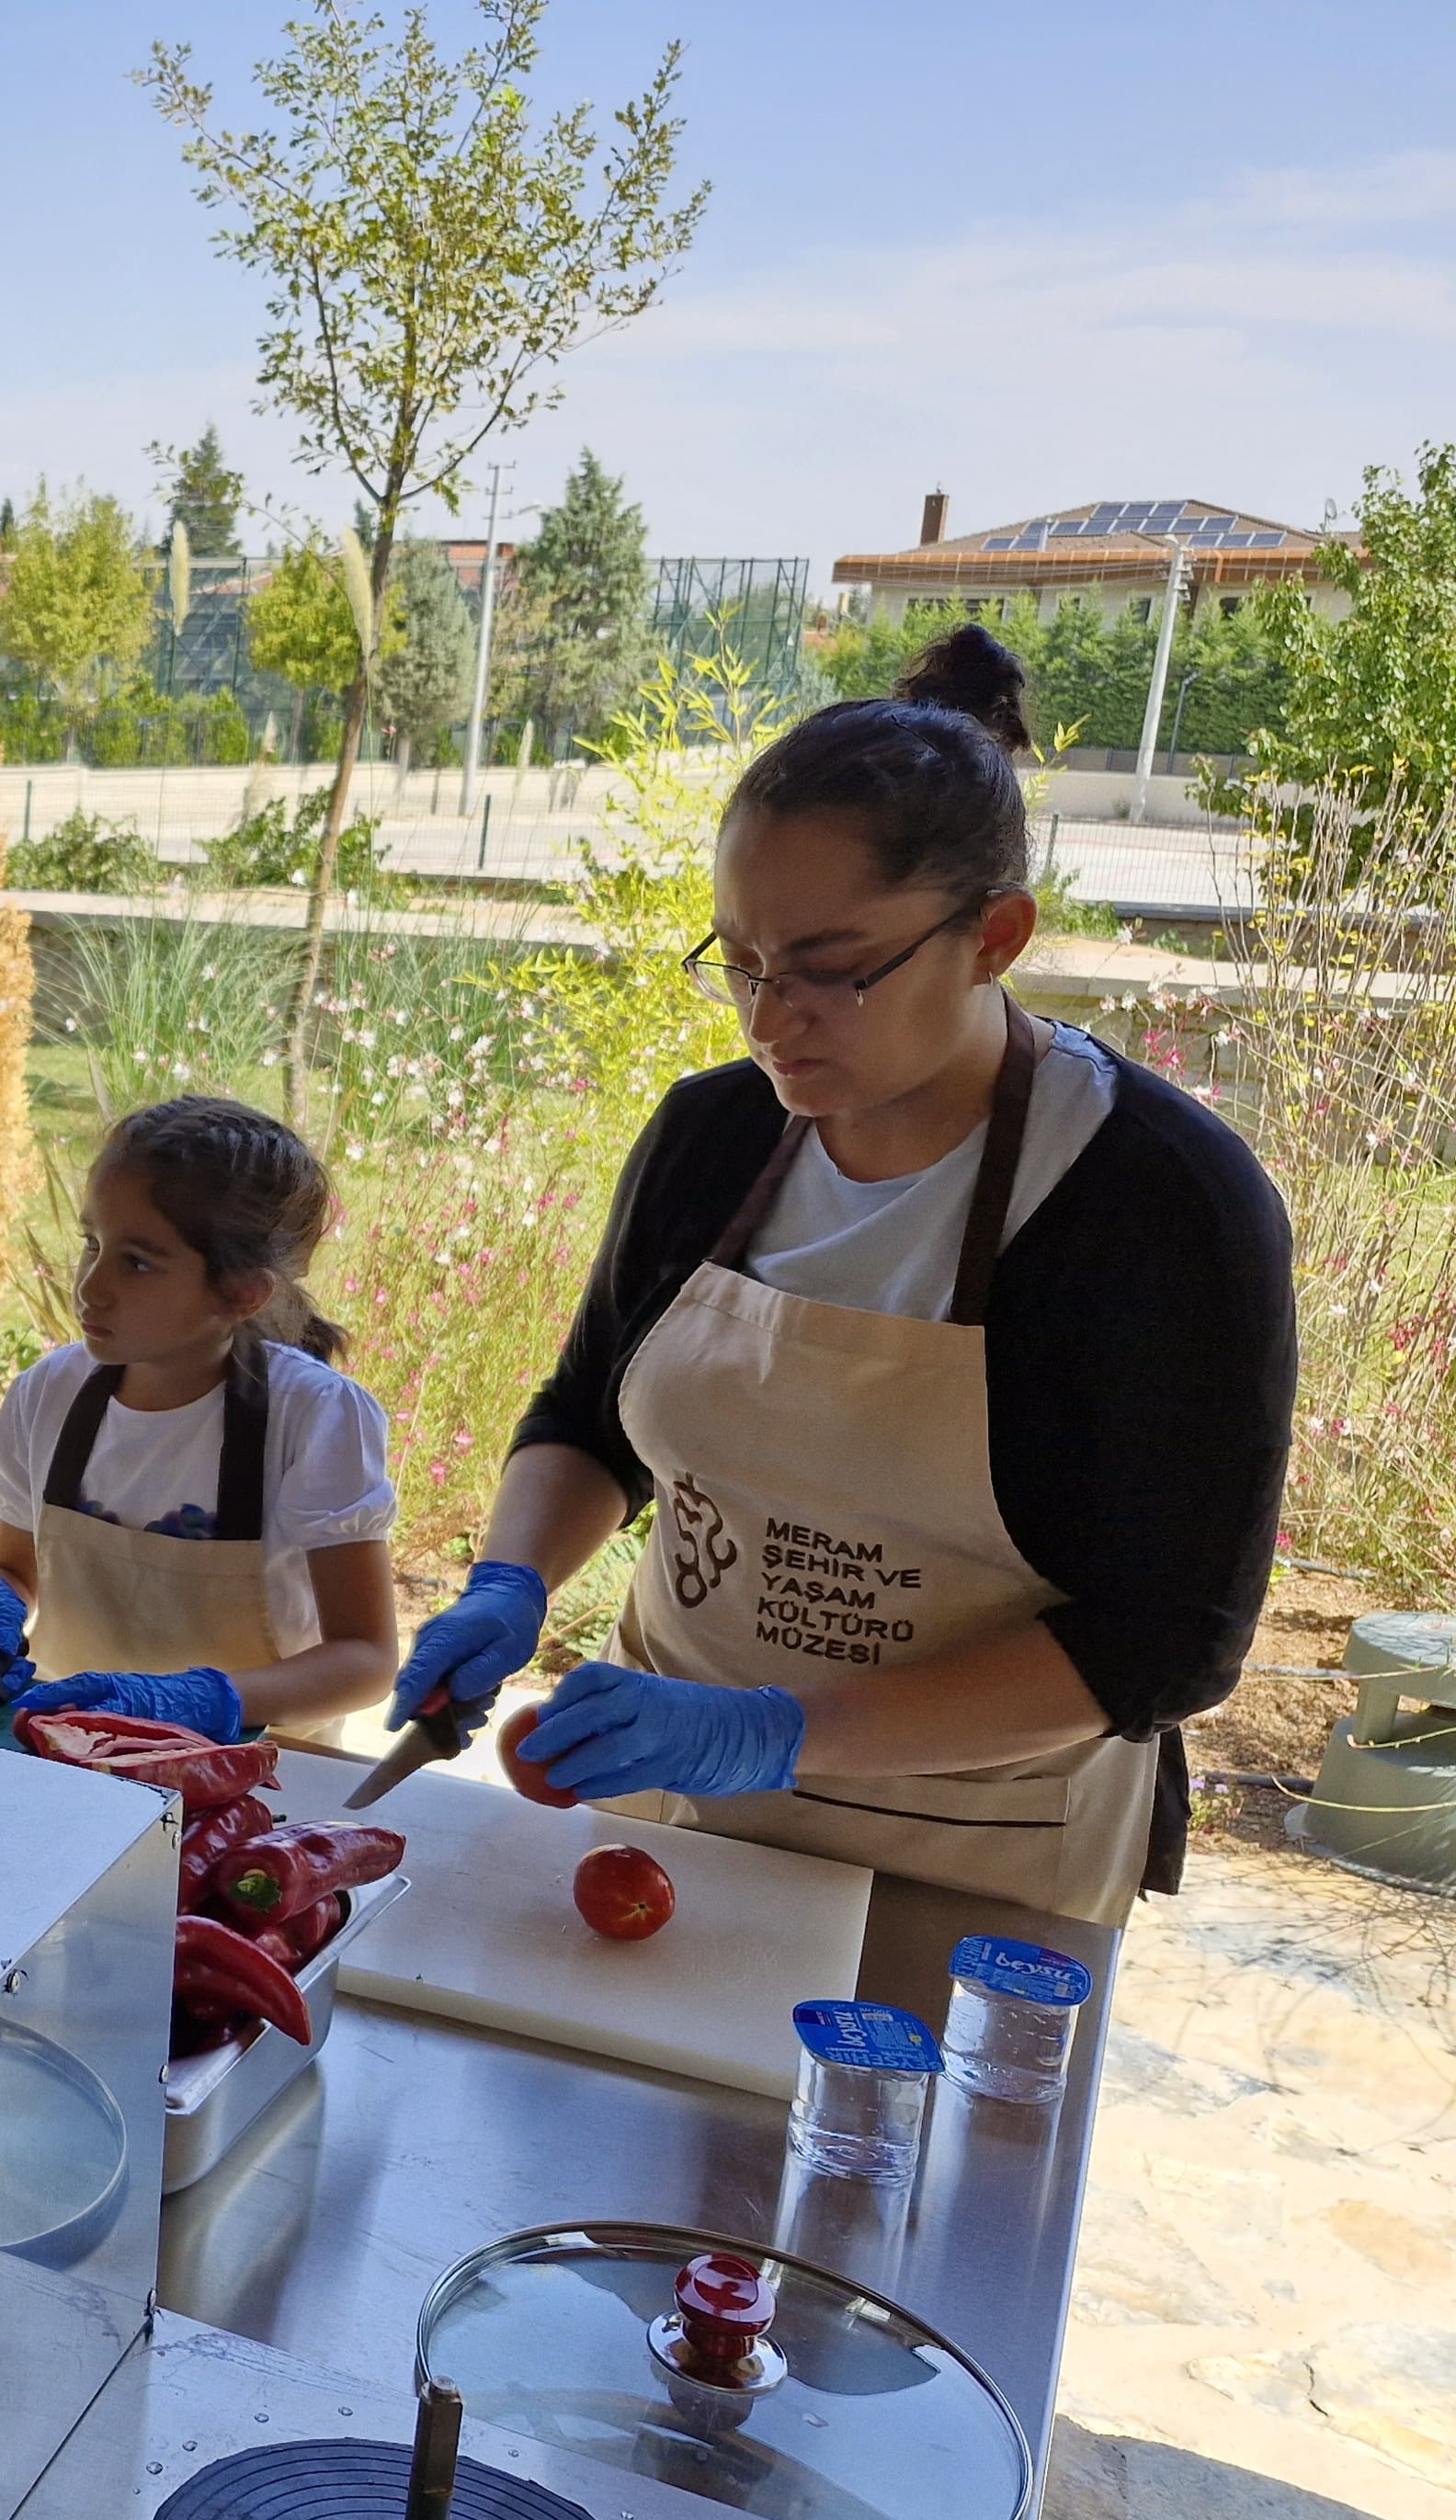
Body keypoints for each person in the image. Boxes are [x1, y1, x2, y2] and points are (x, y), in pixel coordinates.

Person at [395, 627, 1293, 1923]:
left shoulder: (1157, 1203)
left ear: (995, 936)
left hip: (971, 1854)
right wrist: (509, 1581)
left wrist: (769, 1730)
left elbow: (1169, 1639)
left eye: (830, 968)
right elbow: (592, 1413)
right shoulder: (714, 1136)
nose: (771, 1020)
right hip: (662, 1822)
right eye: (742, 962)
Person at [0, 1098, 401, 1746]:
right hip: (70, 1753)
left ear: (243, 1291)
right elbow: (16, 1568)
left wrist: (207, 1699)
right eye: (91, 1244)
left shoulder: (314, 1420)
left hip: (254, 1783)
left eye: (136, 1261)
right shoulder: (48, 1395)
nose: (90, 1288)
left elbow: (366, 1659)